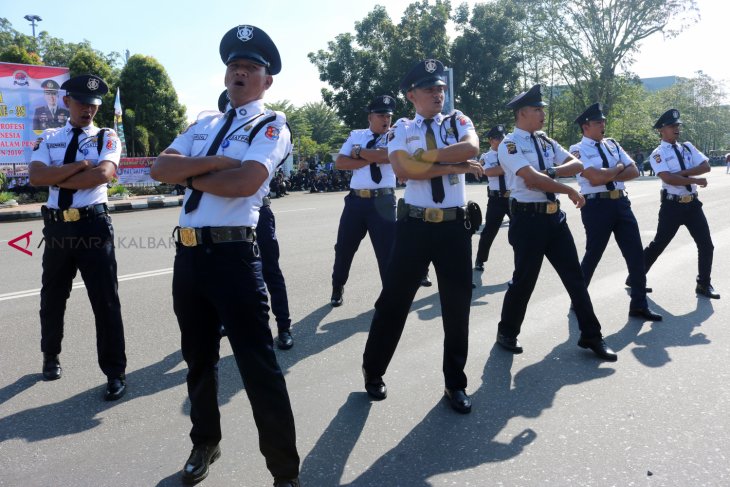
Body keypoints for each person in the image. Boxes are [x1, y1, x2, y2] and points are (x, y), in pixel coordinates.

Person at [150, 25, 300, 486]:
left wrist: (188, 175)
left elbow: (245, 183)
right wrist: (214, 164)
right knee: (198, 360)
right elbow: (159, 168)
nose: (240, 71)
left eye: (251, 67)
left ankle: (283, 470)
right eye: (234, 65)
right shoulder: (203, 125)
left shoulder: (270, 125)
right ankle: (205, 441)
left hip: (234, 257)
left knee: (258, 367)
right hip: (190, 257)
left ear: (266, 80)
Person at [361, 59, 483, 414]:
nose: (438, 94)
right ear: (411, 95)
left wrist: (425, 159)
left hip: (454, 227)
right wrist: (454, 166)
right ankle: (374, 369)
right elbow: (401, 168)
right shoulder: (401, 126)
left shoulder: (458, 120)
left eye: (441, 88)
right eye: (430, 88)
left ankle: (454, 383)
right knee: (394, 303)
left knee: (457, 307)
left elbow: (470, 149)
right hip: (415, 226)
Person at [495, 84, 617, 361]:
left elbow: (576, 164)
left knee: (574, 278)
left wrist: (551, 171)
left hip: (554, 218)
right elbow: (531, 179)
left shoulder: (546, 141)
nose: (541, 114)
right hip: (527, 218)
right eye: (537, 109)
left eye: (541, 109)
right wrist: (569, 189)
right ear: (522, 113)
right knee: (524, 280)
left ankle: (592, 335)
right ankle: (507, 331)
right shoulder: (509, 144)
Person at [28, 74, 127, 400]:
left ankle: (115, 372)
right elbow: (36, 176)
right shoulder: (49, 137)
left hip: (93, 227)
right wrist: (80, 166)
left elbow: (103, 175)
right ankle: (50, 355)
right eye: (83, 103)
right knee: (52, 297)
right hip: (58, 229)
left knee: (105, 301)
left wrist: (59, 176)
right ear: (67, 101)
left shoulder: (106, 137)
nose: (89, 110)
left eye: (94, 105)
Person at [570, 103, 662, 321]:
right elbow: (595, 177)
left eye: (603, 121)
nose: (603, 125)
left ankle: (639, 304)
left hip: (621, 204)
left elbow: (635, 170)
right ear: (585, 127)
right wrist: (619, 167)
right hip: (596, 206)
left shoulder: (612, 144)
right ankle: (578, 299)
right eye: (598, 122)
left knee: (635, 254)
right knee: (594, 254)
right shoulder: (576, 150)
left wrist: (610, 173)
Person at [218, 89, 295, 349]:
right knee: (227, 273)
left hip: (258, 212)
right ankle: (227, 320)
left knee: (270, 271)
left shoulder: (264, 130)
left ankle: (284, 326)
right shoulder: (217, 136)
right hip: (226, 215)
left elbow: (247, 170)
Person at [643, 109, 719, 299]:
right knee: (659, 244)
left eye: (678, 125)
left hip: (692, 205)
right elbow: (668, 180)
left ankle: (703, 284)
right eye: (672, 126)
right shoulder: (657, 154)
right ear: (662, 130)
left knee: (706, 245)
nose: (677, 129)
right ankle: (635, 277)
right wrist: (694, 179)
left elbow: (706, 166)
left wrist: (682, 175)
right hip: (672, 206)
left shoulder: (687, 147)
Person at [329, 95, 397, 307]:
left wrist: (358, 154)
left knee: (387, 252)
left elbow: (388, 157)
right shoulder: (356, 135)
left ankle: (389, 296)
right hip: (356, 202)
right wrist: (372, 156)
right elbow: (340, 162)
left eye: (388, 115)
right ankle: (337, 285)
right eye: (381, 115)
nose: (386, 119)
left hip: (384, 201)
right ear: (370, 117)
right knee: (344, 248)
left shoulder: (395, 135)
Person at [474, 124, 510, 272]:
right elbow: (488, 172)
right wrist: (509, 167)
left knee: (521, 230)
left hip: (513, 197)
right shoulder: (486, 157)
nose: (501, 140)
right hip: (496, 200)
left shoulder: (511, 153)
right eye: (497, 138)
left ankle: (523, 259)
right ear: (490, 141)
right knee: (489, 231)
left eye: (503, 137)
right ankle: (480, 260)